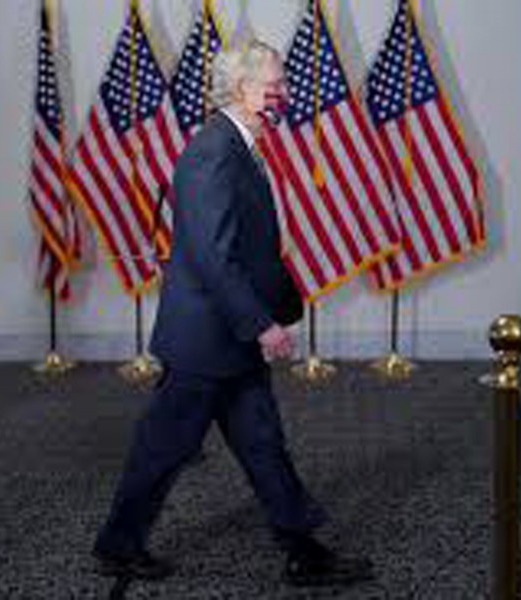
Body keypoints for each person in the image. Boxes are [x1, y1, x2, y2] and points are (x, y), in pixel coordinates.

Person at [92, 39, 373, 588]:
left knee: (264, 444)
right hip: (205, 341)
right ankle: (117, 545)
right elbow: (213, 256)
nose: (284, 94)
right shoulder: (212, 151)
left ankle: (303, 552)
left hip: (227, 339)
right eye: (275, 86)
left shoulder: (237, 145)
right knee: (164, 450)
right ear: (243, 90)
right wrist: (262, 325)